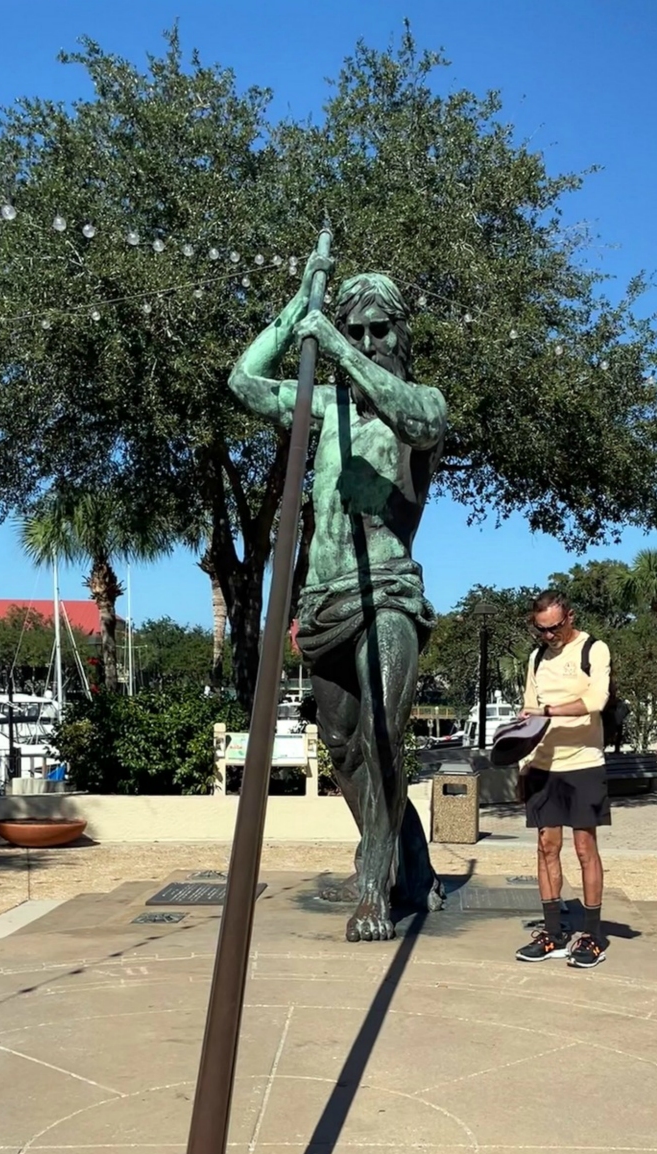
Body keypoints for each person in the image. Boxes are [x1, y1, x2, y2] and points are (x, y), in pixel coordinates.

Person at [230, 253, 446, 942]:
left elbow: (414, 419)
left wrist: (338, 346)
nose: (370, 341)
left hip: (385, 592)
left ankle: (374, 884)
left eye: (381, 329)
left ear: (400, 332)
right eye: (358, 332)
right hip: (323, 600)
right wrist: (297, 309)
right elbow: (242, 381)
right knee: (344, 747)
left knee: (383, 732)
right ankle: (410, 860)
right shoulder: (322, 409)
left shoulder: (420, 404)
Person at [515, 591, 612, 970]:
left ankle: (592, 934)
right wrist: (522, 765)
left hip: (583, 761)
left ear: (569, 617)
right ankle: (554, 934)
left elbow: (596, 700)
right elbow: (528, 714)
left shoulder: (594, 649)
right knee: (545, 846)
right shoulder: (536, 658)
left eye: (555, 627)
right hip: (543, 764)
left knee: (585, 847)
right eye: (542, 630)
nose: (549, 636)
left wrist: (549, 711)